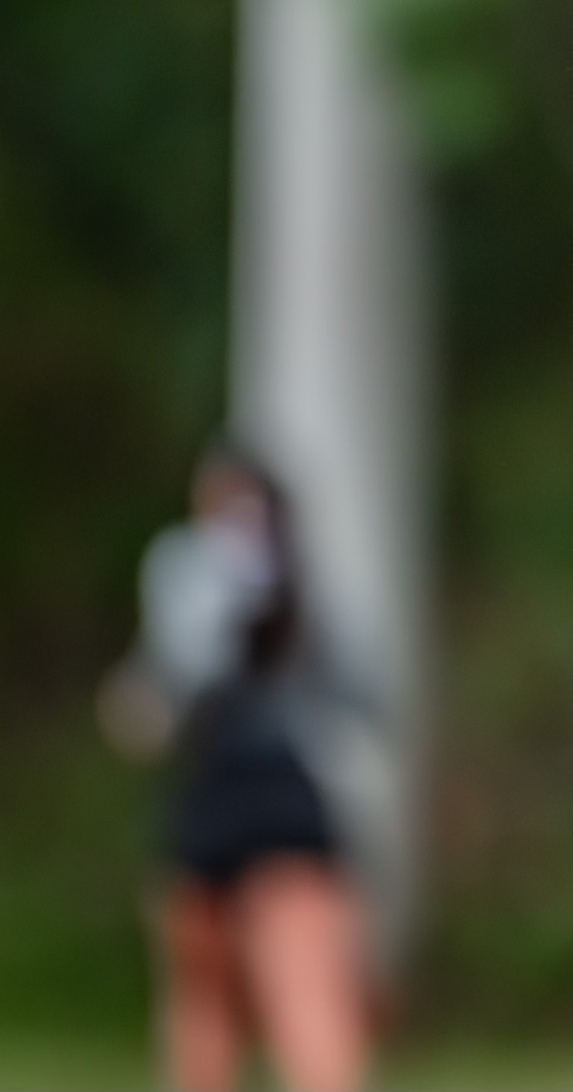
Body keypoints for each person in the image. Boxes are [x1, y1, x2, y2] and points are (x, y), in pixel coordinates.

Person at [100, 440, 370, 1092]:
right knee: (205, 1005)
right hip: (210, 799)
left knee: (304, 1002)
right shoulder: (187, 590)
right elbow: (144, 714)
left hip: (276, 801)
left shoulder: (303, 603)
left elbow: (361, 699)